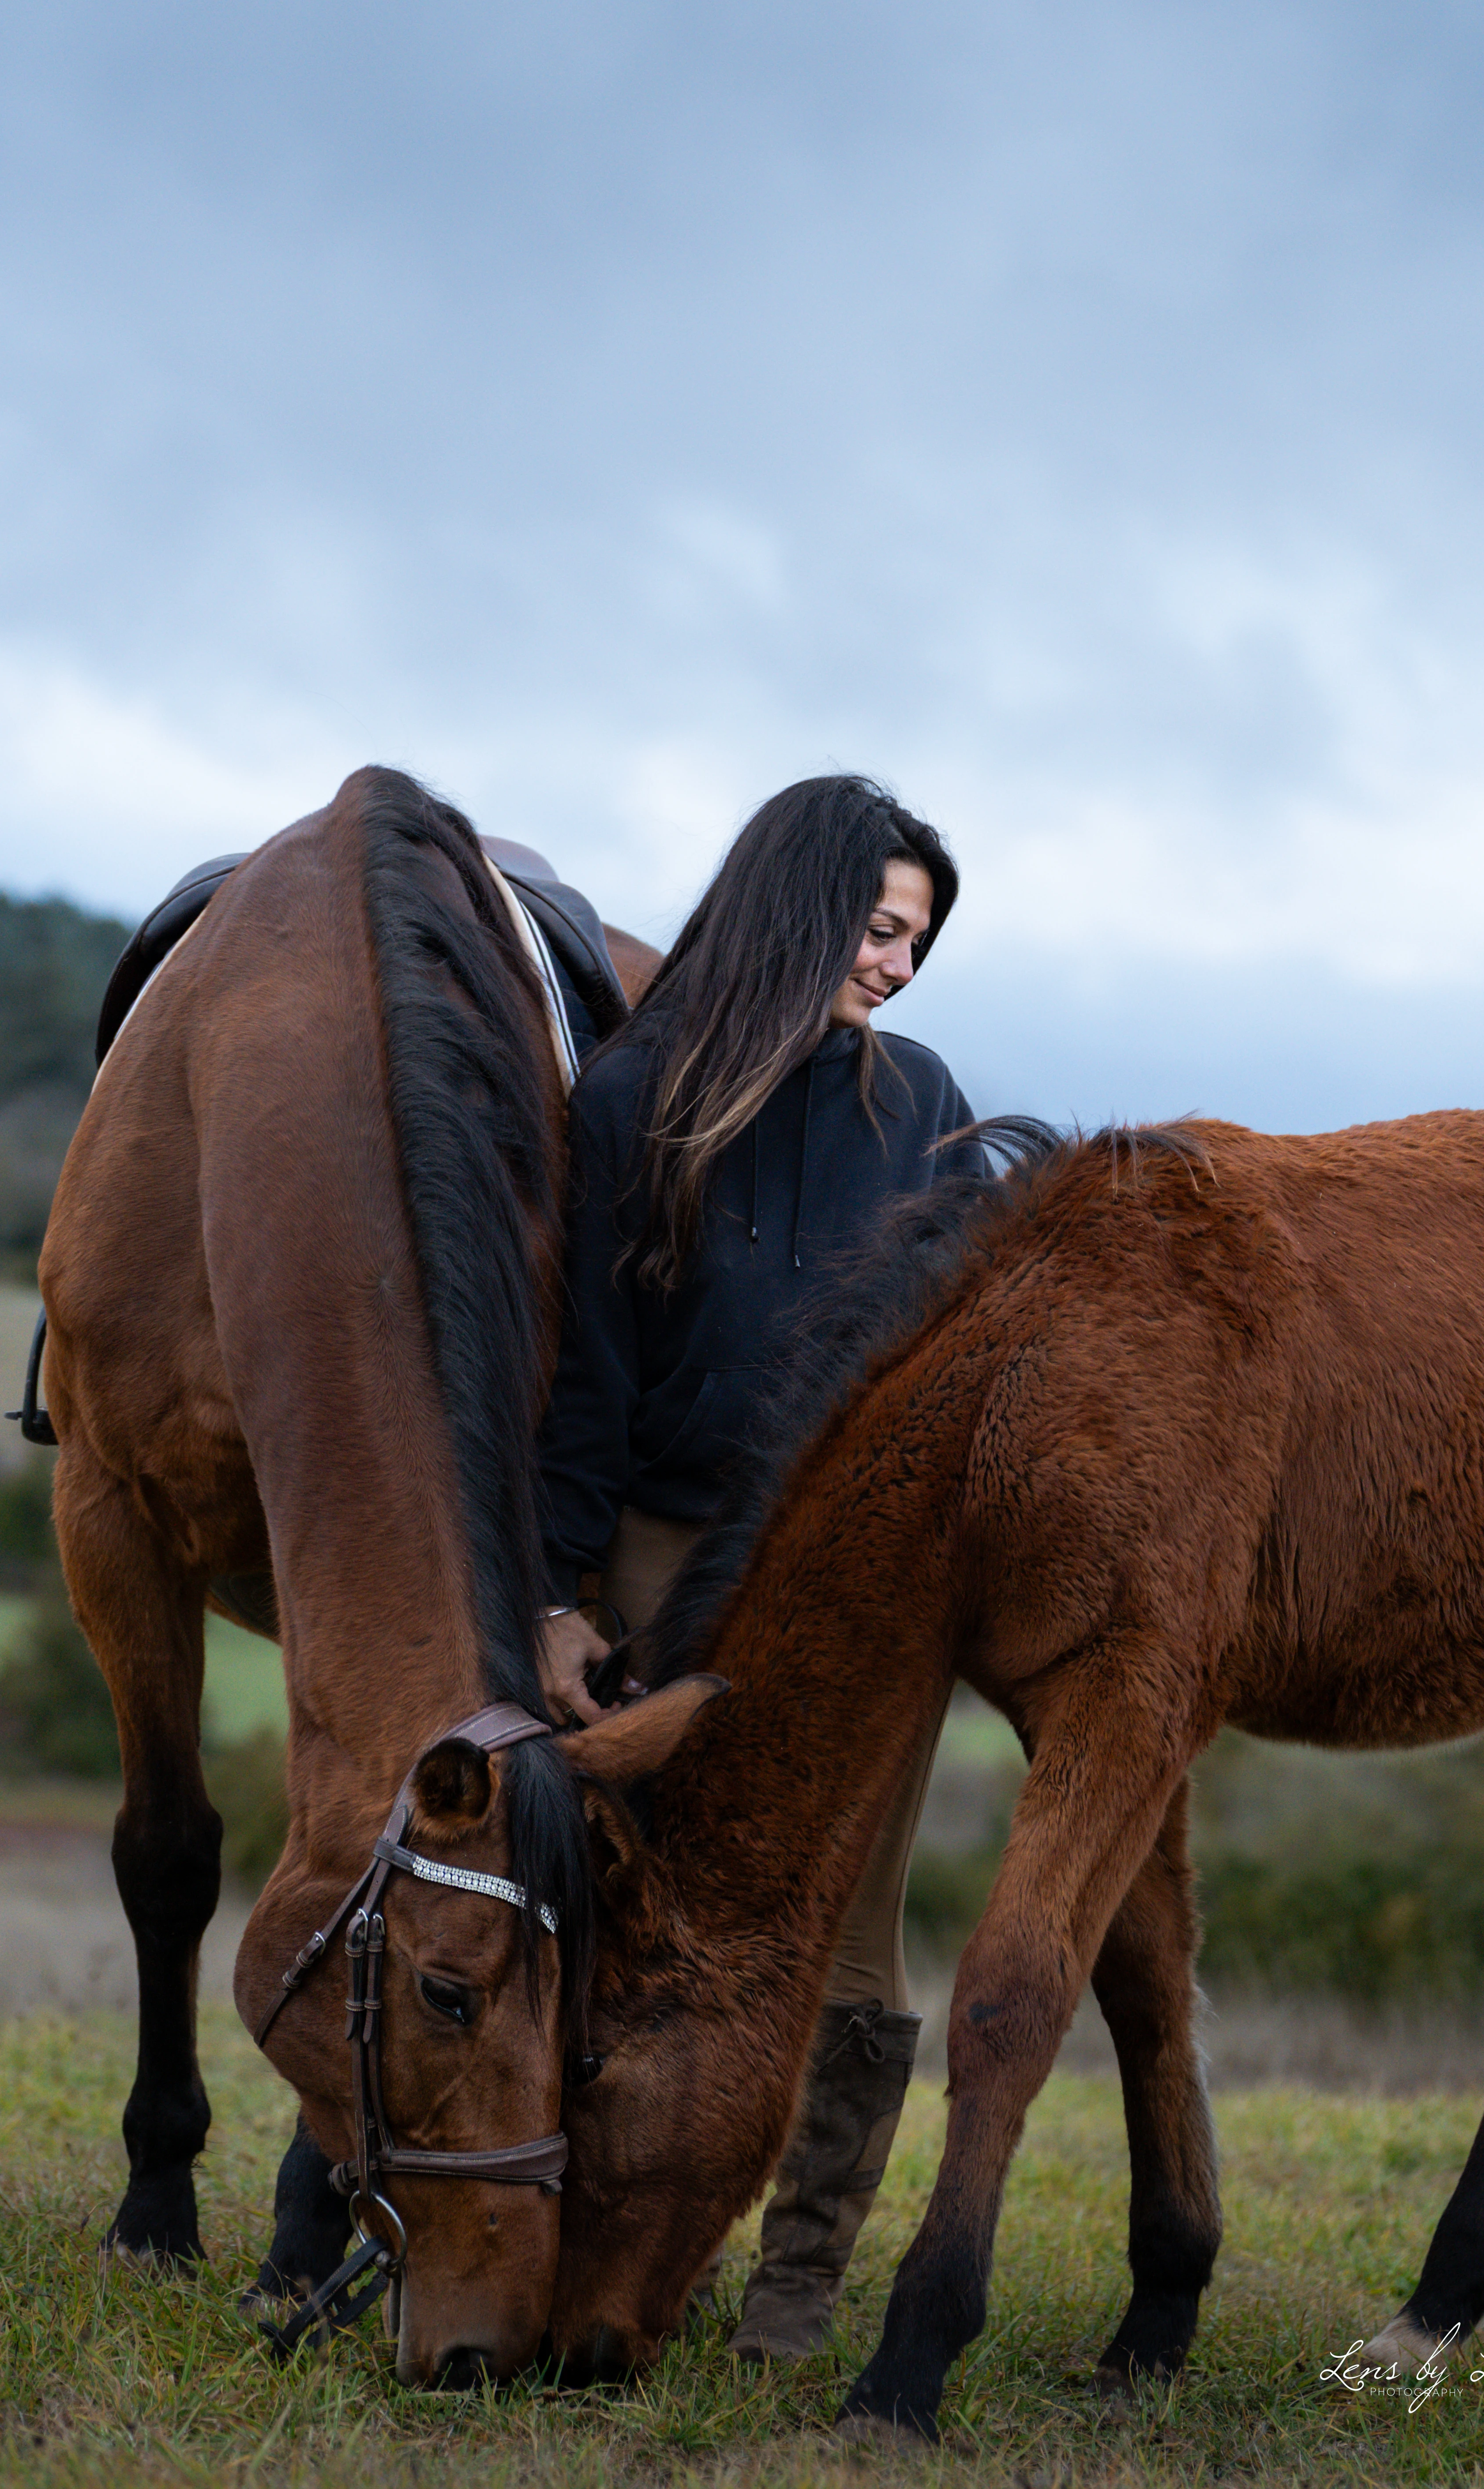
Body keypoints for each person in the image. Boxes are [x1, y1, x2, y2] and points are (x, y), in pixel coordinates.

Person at [535, 772, 985, 2362]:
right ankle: (578, 2232)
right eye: (877, 929)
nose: (896, 969)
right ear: (798, 909)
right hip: (661, 1566)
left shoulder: (924, 1107)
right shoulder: (629, 1099)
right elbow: (583, 1380)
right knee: (615, 1914)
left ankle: (796, 2286)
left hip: (862, 1590)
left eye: (916, 943)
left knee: (847, 1939)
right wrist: (559, 1596)